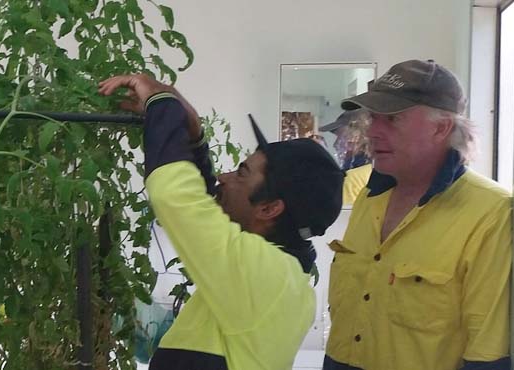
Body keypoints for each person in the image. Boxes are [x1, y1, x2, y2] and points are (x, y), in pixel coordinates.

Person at [98, 74, 344, 370]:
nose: (223, 177)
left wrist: (161, 102)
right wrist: (194, 137)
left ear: (269, 209)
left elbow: (175, 196)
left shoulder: (263, 275)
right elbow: (208, 205)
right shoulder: (282, 277)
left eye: (241, 173)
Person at [323, 60, 513, 370]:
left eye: (393, 118)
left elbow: (486, 356)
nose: (374, 131)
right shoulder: (369, 199)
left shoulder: (490, 214)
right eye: (373, 117)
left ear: (441, 127)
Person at [320, 109, 373, 204]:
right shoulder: (376, 172)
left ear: (355, 139)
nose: (335, 144)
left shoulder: (350, 179)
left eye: (340, 137)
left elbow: (341, 217)